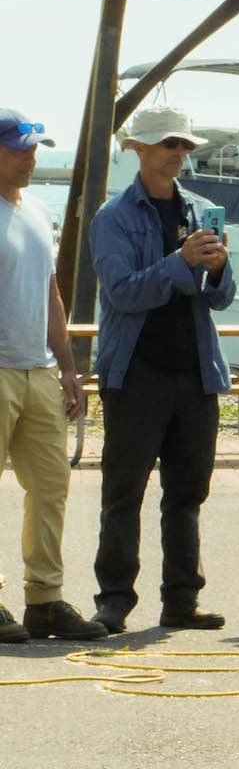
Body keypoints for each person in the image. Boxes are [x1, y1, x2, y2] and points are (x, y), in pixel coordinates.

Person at [88, 106, 235, 634]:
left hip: (195, 372)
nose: (178, 153)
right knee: (123, 491)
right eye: (168, 143)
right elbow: (122, 292)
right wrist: (182, 262)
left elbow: (222, 298)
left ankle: (180, 599)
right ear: (139, 150)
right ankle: (114, 600)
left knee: (188, 492)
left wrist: (217, 269)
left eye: (184, 146)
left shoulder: (201, 211)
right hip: (137, 374)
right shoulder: (114, 217)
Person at [0, 110, 99, 642]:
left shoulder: (37, 210)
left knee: (51, 486)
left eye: (34, 148)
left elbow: (51, 294)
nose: (30, 158)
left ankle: (44, 598)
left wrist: (67, 368)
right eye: (19, 149)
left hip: (37, 369)